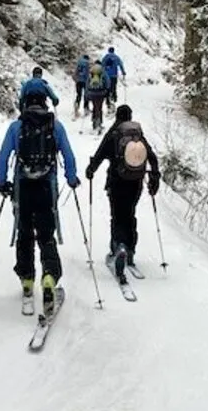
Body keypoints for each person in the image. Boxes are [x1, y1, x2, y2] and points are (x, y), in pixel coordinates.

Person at [0, 102, 81, 315]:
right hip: (46, 187)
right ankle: (50, 276)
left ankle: (27, 280)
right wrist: (71, 178)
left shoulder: (17, 127)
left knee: (24, 235)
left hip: (22, 188)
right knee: (46, 235)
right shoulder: (56, 126)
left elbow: (3, 157)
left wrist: (1, 182)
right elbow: (68, 156)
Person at [85, 104, 161, 282]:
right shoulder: (137, 135)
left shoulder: (114, 134)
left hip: (117, 182)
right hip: (136, 182)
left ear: (117, 116)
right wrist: (155, 177)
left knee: (117, 215)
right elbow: (152, 157)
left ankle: (118, 247)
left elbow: (100, 154)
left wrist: (91, 169)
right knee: (130, 214)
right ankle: (131, 251)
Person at [85, 61, 109, 133]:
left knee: (95, 107)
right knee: (99, 107)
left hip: (92, 93)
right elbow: (107, 81)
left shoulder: (91, 71)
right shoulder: (102, 71)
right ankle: (99, 123)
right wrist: (107, 90)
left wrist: (87, 93)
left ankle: (94, 122)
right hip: (101, 93)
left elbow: (87, 82)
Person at [72, 54, 91, 118]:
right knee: (86, 95)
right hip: (85, 82)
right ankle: (86, 108)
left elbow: (75, 72)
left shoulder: (79, 63)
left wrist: (75, 79)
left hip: (78, 81)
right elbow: (88, 73)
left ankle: (77, 105)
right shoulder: (87, 63)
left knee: (79, 94)